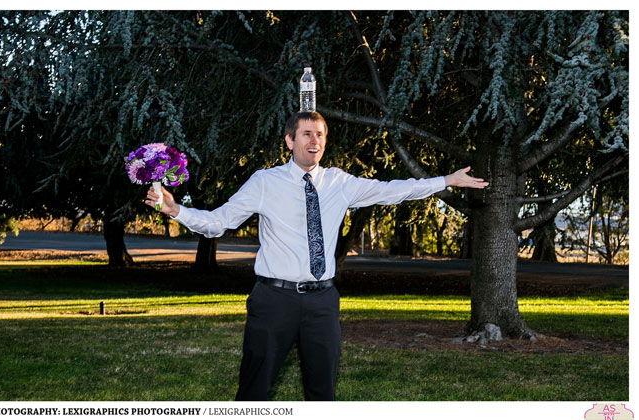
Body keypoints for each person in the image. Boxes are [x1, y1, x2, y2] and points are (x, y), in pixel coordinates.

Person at [145, 111, 488, 401]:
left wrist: (446, 180)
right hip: (273, 301)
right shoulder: (265, 182)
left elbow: (392, 190)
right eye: (307, 134)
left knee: (322, 394)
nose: (315, 141)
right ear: (289, 141)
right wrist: (176, 210)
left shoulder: (339, 183)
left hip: (322, 303)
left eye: (320, 134)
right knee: (254, 392)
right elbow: (219, 222)